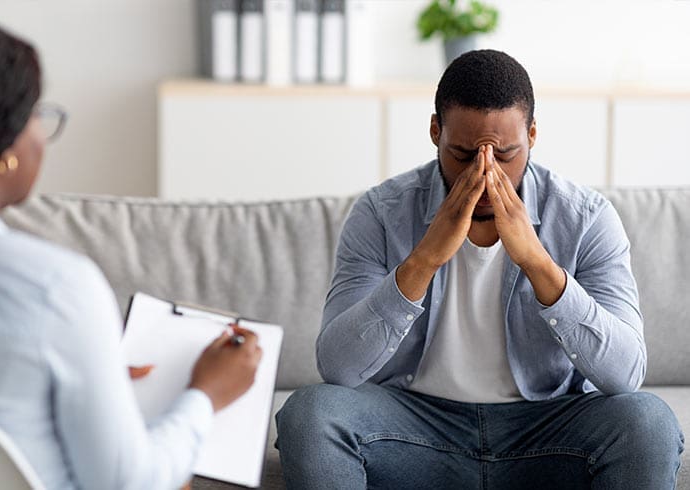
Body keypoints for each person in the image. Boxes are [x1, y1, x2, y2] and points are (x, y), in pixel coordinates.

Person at [276, 50, 684, 489]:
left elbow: (626, 375)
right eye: (462, 154)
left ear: (531, 135)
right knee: (310, 414)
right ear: (435, 132)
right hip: (412, 427)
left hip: (544, 430)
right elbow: (337, 367)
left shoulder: (585, 217)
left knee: (649, 422)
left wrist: (536, 261)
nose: (485, 174)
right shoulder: (380, 214)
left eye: (506, 155)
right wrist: (425, 258)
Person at [0, 14, 262, 490]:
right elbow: (132, 483)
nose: (42, 133)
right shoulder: (55, 288)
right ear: (4, 150)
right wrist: (206, 395)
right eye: (37, 114)